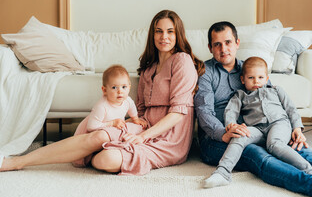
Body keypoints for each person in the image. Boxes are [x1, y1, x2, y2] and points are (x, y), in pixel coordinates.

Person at [0, 9, 204, 176]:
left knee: (106, 158)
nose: (164, 37)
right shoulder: (148, 68)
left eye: (170, 31)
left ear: (178, 34)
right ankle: (17, 162)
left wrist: (143, 137)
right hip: (144, 127)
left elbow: (178, 113)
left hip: (169, 138)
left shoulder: (182, 61)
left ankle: (94, 151)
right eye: (159, 31)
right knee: (98, 135)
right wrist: (118, 125)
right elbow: (139, 112)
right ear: (152, 34)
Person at [194, 21, 312, 197]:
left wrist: (294, 128)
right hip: (218, 139)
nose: (223, 49)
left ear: (237, 43)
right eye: (217, 44)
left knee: (300, 150)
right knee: (258, 155)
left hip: (259, 128)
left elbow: (274, 99)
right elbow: (204, 112)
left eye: (228, 42)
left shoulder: (250, 67)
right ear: (210, 47)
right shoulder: (205, 72)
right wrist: (223, 133)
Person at [204, 56, 312, 188]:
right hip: (257, 128)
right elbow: (231, 111)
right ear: (242, 79)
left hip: (279, 123)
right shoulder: (240, 95)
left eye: (260, 77)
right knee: (239, 137)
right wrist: (231, 124)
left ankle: (309, 171)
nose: (256, 81)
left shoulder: (276, 90)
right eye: (251, 78)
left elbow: (291, 109)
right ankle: (223, 173)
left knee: (274, 144)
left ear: (266, 78)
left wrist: (297, 128)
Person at [71, 64, 147, 167]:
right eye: (114, 87)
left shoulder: (127, 100)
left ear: (129, 87)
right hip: (91, 131)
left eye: (124, 87)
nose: (120, 91)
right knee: (81, 159)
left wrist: (135, 119)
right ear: (105, 90)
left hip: (106, 131)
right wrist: (112, 123)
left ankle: (101, 156)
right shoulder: (102, 106)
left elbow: (132, 108)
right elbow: (91, 127)